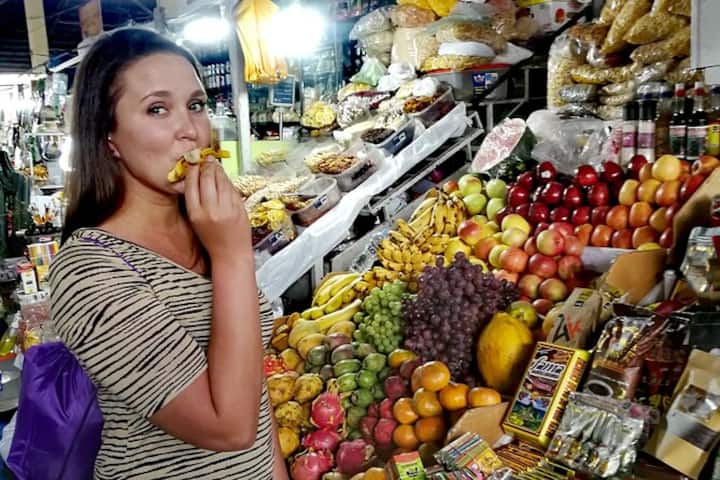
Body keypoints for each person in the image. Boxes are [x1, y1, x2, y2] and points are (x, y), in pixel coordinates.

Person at [49, 28, 286, 479]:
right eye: (157, 109)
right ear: (108, 137)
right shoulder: (89, 270)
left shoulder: (203, 228)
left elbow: (253, 395)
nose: (190, 131)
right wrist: (233, 255)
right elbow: (229, 428)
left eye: (195, 105)